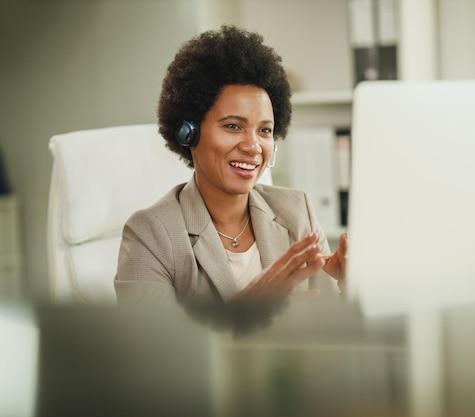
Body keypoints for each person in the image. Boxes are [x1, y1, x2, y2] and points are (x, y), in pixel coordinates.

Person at [114, 25, 348, 316]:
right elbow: (150, 351)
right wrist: (241, 315)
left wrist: (349, 286)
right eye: (233, 126)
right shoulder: (150, 235)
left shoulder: (296, 210)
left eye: (265, 130)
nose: (253, 146)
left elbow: (325, 326)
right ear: (189, 133)